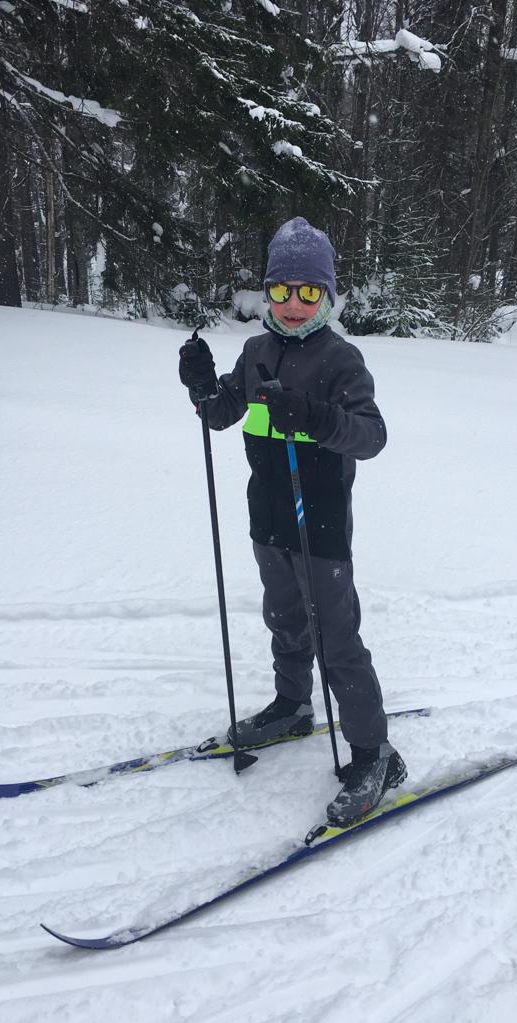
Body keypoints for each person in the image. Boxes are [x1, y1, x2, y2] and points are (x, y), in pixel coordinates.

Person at [178, 216, 406, 826]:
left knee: (337, 640)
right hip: (269, 518)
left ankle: (375, 754)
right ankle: (292, 706)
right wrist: (201, 386)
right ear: (268, 293)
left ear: (326, 295)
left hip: (321, 524)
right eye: (282, 290)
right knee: (283, 620)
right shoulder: (256, 351)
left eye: (309, 291)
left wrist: (310, 416)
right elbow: (222, 413)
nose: (294, 303)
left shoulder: (341, 359)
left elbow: (372, 436)